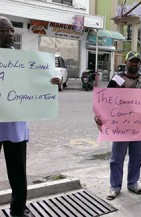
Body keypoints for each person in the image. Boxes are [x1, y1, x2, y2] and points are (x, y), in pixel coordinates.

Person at [0, 16, 61, 217]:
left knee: (18, 171)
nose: (9, 34)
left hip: (15, 126)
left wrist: (51, 83)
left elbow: (35, 84)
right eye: (4, 31)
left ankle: (18, 209)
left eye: (11, 30)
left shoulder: (22, 60)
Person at [94, 51, 141, 200]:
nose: (134, 64)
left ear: (140, 64)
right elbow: (105, 100)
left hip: (139, 128)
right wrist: (98, 115)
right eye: (132, 61)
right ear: (126, 62)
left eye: (137, 62)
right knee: (117, 158)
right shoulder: (117, 79)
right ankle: (115, 186)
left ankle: (133, 183)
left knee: (137, 158)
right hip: (120, 128)